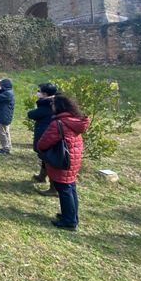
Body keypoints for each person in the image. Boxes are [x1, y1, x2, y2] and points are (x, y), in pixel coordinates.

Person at [37, 94, 90, 231]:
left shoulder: (58, 123)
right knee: (70, 189)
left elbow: (43, 143)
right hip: (73, 160)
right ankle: (71, 215)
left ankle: (69, 221)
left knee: (65, 190)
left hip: (62, 161)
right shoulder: (75, 120)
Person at [28, 82, 58, 196]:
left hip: (46, 135)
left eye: (39, 91)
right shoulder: (55, 102)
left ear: (45, 94)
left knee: (48, 160)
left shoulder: (47, 104)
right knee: (45, 158)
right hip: (48, 134)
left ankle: (53, 187)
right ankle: (42, 176)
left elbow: (32, 114)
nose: (37, 93)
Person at [0, 78, 15, 154]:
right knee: (6, 132)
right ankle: (8, 146)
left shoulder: (7, 93)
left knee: (1, 132)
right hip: (6, 115)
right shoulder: (9, 92)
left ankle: (5, 148)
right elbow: (0, 95)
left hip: (4, 116)